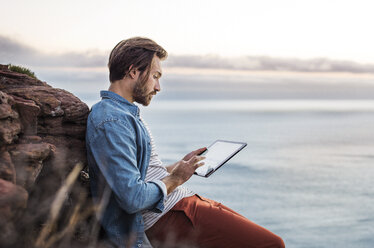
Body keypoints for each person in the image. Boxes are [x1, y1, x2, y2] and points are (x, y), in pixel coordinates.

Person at [86, 37, 285, 248]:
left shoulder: (124, 114)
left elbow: (139, 172)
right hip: (166, 214)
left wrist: (179, 166)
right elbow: (132, 197)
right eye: (155, 76)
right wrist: (176, 179)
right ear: (133, 71)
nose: (158, 87)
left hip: (179, 202)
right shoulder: (111, 120)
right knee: (272, 244)